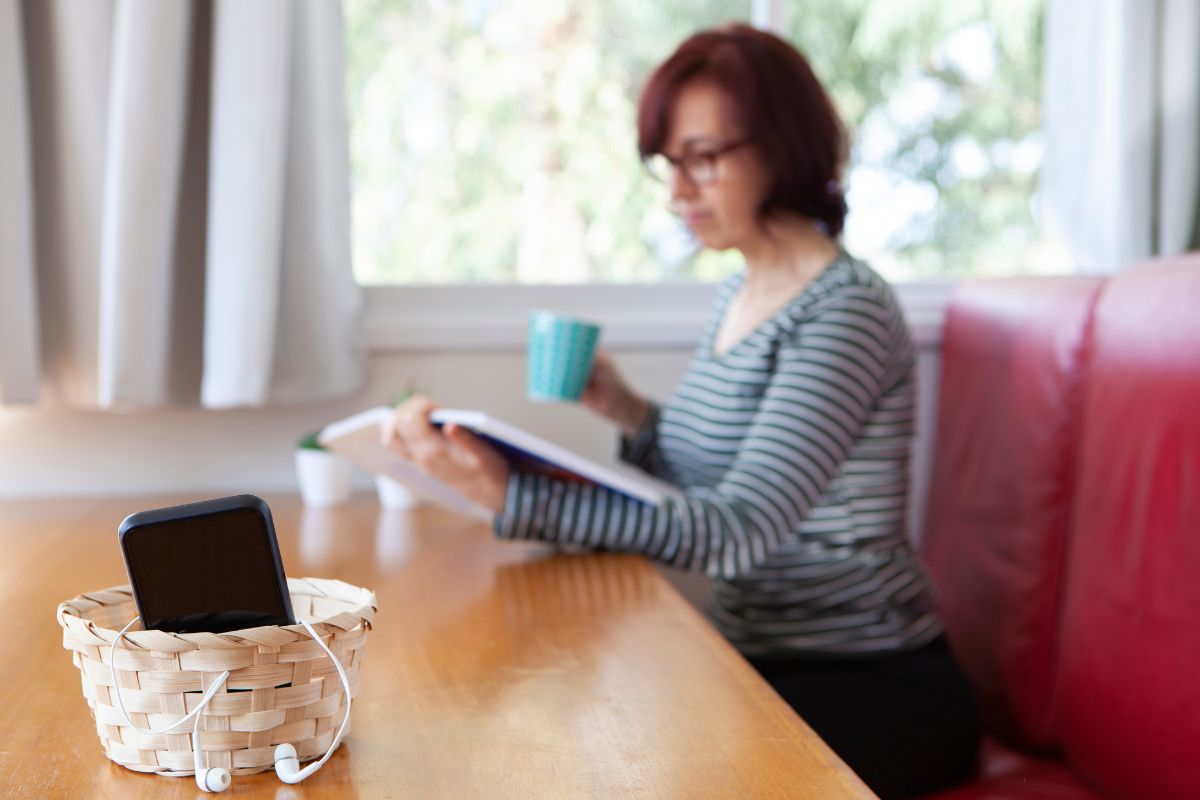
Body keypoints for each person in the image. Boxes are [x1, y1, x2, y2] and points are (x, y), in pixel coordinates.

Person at [384, 23, 980, 798]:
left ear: (784, 145)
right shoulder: (742, 291)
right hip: (754, 655)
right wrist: (628, 410)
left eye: (703, 158)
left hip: (872, 679)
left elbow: (735, 532)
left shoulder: (846, 311)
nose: (676, 192)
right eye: (669, 164)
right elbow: (715, 483)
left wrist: (517, 499)